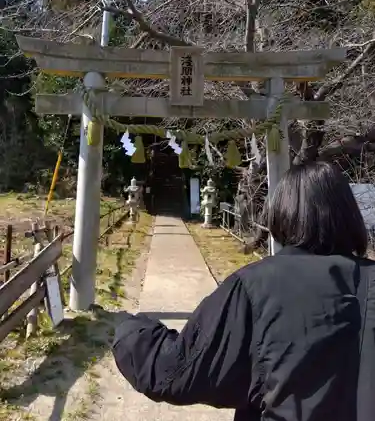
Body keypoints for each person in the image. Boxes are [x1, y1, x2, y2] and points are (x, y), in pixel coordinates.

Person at [112, 162, 375, 421]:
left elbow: (175, 372)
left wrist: (129, 329)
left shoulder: (257, 285)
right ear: (348, 213)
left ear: (282, 212)